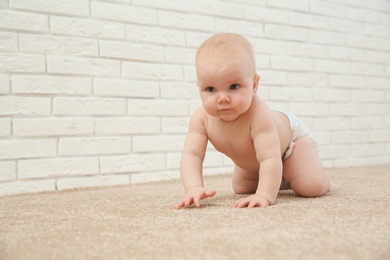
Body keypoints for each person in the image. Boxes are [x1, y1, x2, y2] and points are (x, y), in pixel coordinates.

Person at [174, 33, 330, 209]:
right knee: (242, 188)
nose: (223, 98)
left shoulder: (258, 114)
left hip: (289, 142)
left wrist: (264, 196)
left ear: (254, 85)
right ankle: (283, 177)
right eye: (211, 89)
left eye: (234, 87)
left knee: (310, 187)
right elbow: (191, 155)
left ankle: (317, 173)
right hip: (255, 157)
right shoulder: (201, 119)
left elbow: (269, 157)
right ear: (199, 87)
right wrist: (194, 187)